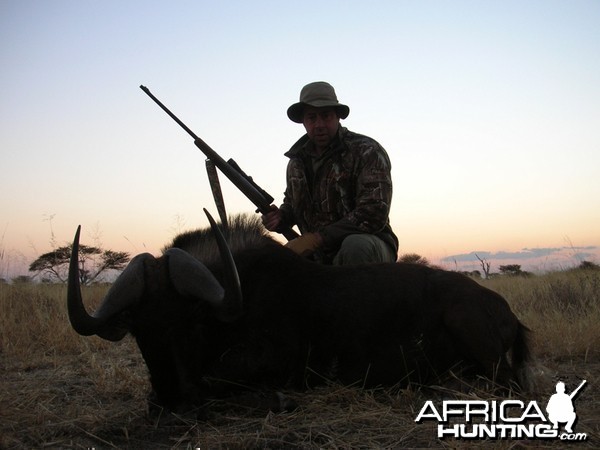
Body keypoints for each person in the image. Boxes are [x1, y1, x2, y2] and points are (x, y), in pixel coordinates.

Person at [262, 81, 398, 265]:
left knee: (356, 246)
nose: (319, 124)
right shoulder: (296, 162)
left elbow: (373, 212)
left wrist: (317, 239)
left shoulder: (367, 151)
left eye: (326, 116)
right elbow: (292, 204)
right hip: (318, 254)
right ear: (303, 121)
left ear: (337, 117)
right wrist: (281, 216)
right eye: (311, 117)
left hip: (369, 245)